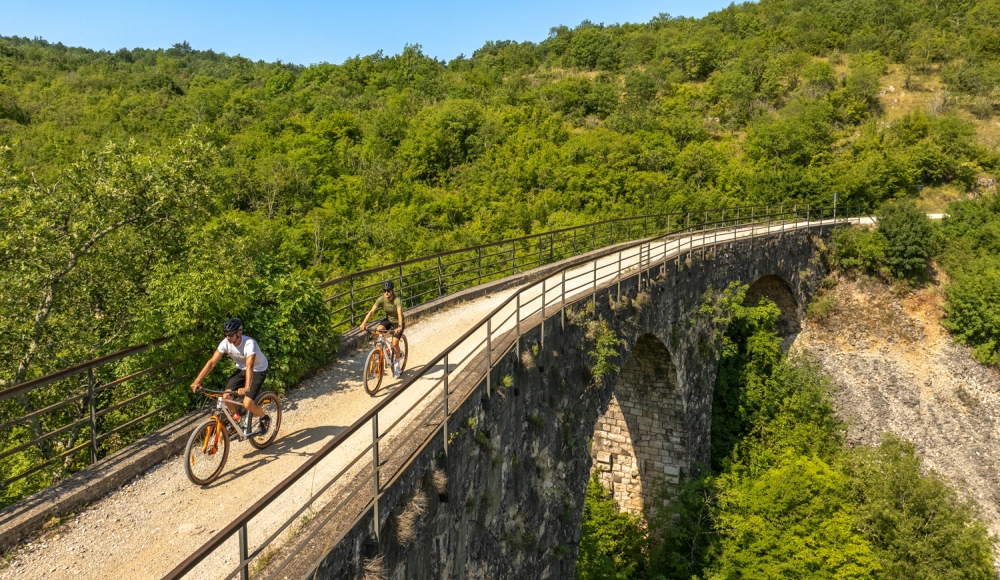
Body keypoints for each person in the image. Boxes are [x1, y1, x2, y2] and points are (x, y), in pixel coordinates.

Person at [190, 318, 271, 435]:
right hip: (241, 369)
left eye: (231, 334)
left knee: (247, 403)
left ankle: (264, 418)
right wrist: (197, 381)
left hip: (258, 369)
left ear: (239, 332)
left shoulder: (249, 343)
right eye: (226, 335)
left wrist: (247, 387)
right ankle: (236, 422)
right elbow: (212, 362)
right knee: (226, 397)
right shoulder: (225, 343)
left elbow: (250, 366)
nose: (228, 337)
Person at [359, 281, 405, 378]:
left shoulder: (397, 300)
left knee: (395, 343)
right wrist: (363, 323)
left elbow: (400, 314)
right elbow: (371, 312)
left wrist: (400, 326)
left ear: (393, 291)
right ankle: (386, 350)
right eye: (384, 291)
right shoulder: (381, 299)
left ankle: (397, 366)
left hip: (398, 322)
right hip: (388, 320)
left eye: (388, 290)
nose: (386, 293)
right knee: (378, 330)